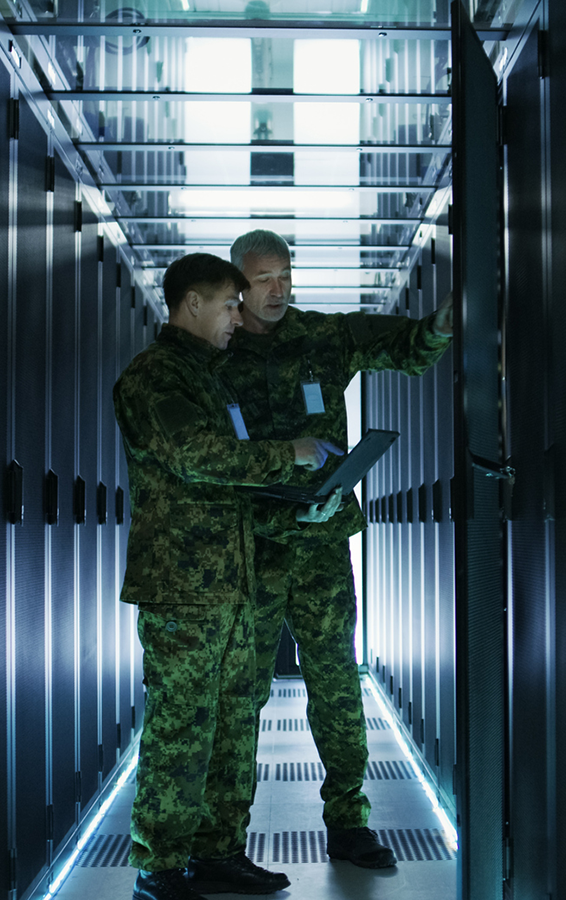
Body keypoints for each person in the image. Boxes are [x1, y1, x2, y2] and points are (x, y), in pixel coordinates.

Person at [217, 229, 454, 869]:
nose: (278, 289)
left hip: (319, 543)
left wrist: (447, 321)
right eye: (264, 278)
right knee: (240, 692)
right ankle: (223, 840)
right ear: (237, 284)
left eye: (285, 275)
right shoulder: (215, 349)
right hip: (252, 547)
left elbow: (406, 347)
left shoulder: (324, 336)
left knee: (335, 686)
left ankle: (349, 823)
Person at [113, 252, 345, 900]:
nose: (237, 320)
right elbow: (199, 459)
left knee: (237, 716)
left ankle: (216, 849)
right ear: (191, 304)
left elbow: (232, 481)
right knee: (183, 722)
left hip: (234, 582)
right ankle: (159, 865)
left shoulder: (212, 381)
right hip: (184, 590)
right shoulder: (154, 379)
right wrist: (288, 453)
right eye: (226, 306)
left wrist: (305, 500)